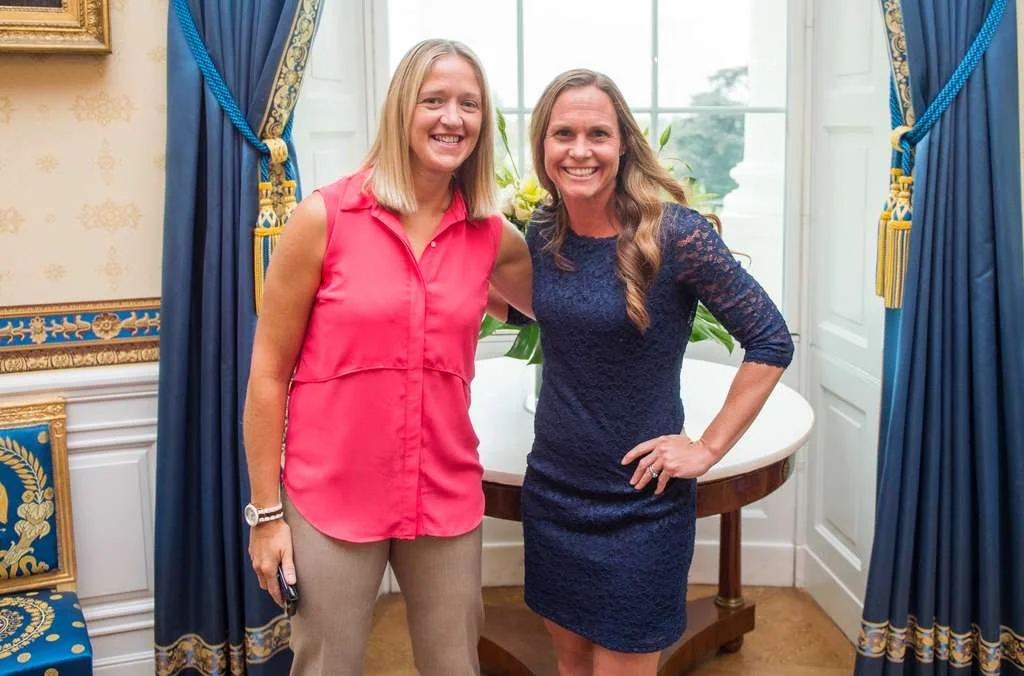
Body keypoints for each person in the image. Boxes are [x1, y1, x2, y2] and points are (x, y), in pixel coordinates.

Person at [241, 39, 531, 676]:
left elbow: (568, 308)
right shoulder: (323, 218)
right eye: (434, 100)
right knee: (327, 666)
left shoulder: (492, 236)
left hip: (444, 492)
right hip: (331, 495)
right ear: (402, 109)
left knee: (456, 667)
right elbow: (267, 375)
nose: (453, 118)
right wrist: (266, 516)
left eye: (469, 104)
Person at [510, 69, 795, 674]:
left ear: (623, 145)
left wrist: (707, 448)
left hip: (641, 504)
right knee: (570, 666)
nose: (580, 150)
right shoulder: (542, 231)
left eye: (598, 134)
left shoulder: (677, 235)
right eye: (563, 134)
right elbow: (533, 308)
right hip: (554, 491)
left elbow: (770, 339)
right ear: (542, 146)